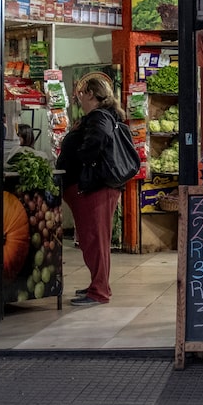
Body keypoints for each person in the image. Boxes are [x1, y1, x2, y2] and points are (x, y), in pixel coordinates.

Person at [56, 75, 126, 307]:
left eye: (81, 91)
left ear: (90, 94)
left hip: (94, 188)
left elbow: (99, 138)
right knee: (92, 240)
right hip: (91, 188)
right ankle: (99, 284)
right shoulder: (96, 117)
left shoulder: (98, 117)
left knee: (94, 240)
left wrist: (83, 158)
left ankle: (99, 291)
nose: (78, 96)